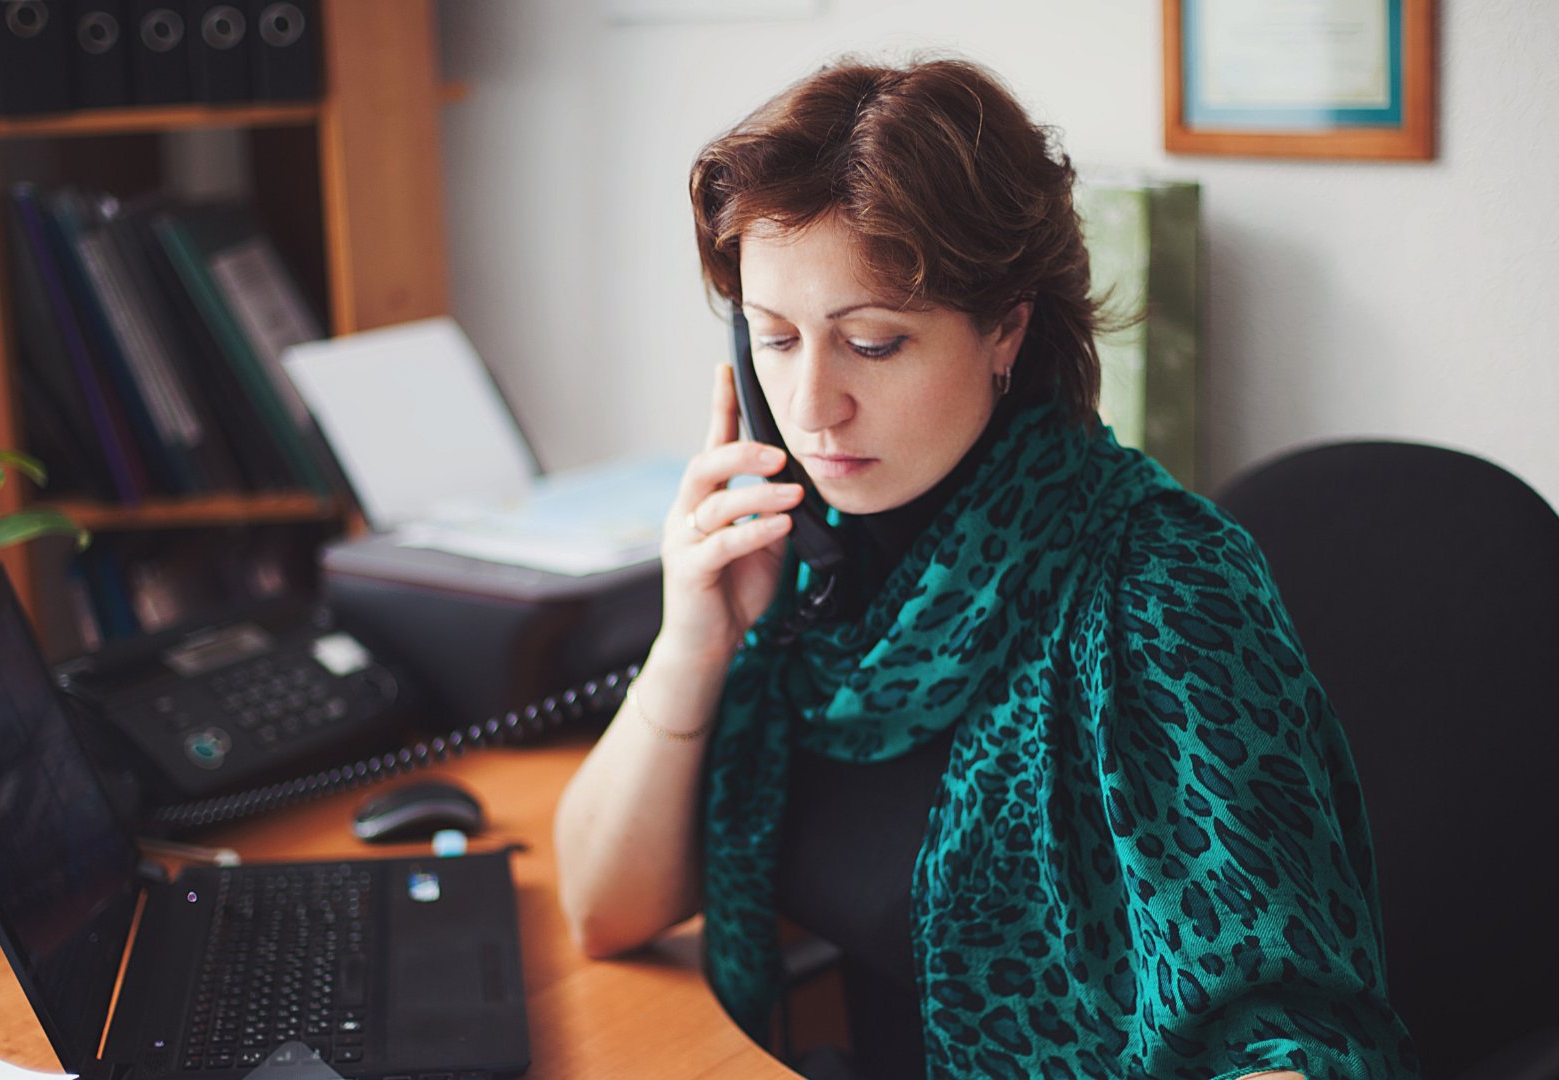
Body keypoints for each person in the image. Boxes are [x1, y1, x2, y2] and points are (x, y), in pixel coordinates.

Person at [554, 55, 1419, 1080]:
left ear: (1006, 327)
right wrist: (692, 643)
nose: (814, 404)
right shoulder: (796, 569)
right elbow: (605, 909)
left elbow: (1293, 1043)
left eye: (873, 344)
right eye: (775, 339)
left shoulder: (1159, 586)